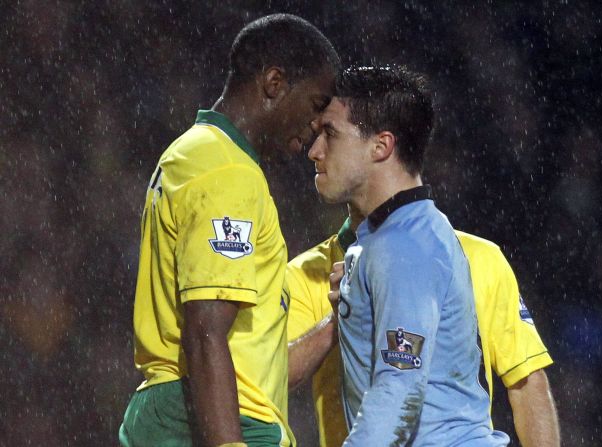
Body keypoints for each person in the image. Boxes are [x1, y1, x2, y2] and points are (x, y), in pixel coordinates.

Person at [119, 14, 339, 447]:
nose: (317, 127)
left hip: (183, 412)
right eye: (316, 106)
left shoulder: (194, 153)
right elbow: (205, 330)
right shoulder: (226, 172)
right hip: (223, 423)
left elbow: (253, 363)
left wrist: (335, 327)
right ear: (275, 83)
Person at [301, 65, 510, 446]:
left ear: (381, 146)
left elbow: (400, 389)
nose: (315, 150)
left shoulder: (404, 247)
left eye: (330, 134)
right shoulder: (395, 235)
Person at [286, 211, 561, 447]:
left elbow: (526, 382)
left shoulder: (480, 258)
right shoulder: (308, 273)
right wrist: (340, 319)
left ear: (383, 148)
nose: (315, 152)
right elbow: (276, 376)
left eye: (332, 144)